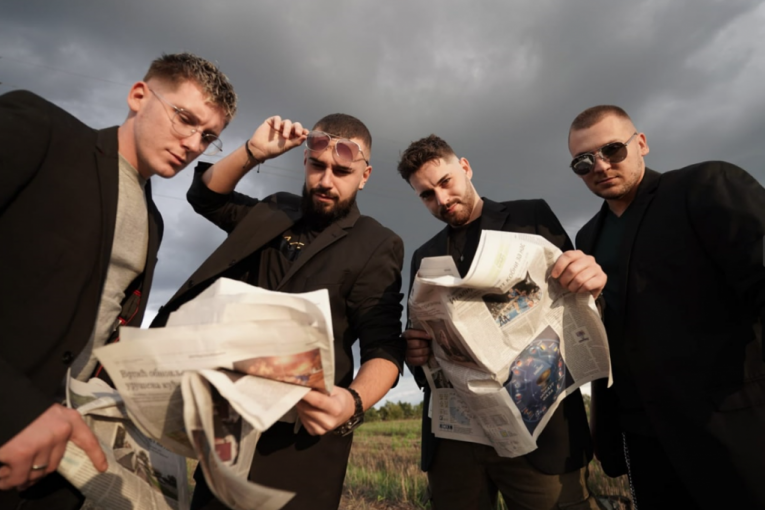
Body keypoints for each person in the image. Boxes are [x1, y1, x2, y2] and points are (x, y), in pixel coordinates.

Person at [0, 52, 236, 509]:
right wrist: (16, 408)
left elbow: (105, 331)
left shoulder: (154, 221)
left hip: (60, 450)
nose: (193, 143)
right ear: (138, 96)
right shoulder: (43, 130)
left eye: (208, 137)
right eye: (184, 119)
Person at [152, 114, 405, 510]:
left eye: (342, 172)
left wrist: (351, 403)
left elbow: (384, 346)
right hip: (229, 433)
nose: (325, 180)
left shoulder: (377, 243)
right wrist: (253, 152)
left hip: (299, 448)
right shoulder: (274, 210)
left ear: (364, 176)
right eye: (317, 166)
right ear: (305, 160)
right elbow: (205, 197)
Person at [569, 105, 765, 509]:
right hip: (646, 439)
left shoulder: (705, 185)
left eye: (612, 150)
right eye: (584, 162)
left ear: (641, 143)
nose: (600, 166)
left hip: (732, 423)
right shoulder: (587, 238)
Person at [398, 134, 606, 510]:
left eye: (445, 182)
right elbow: (422, 346)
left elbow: (576, 300)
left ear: (465, 167)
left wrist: (590, 282)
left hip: (541, 436)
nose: (441, 199)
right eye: (427, 195)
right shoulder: (424, 255)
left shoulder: (530, 216)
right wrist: (415, 352)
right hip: (457, 442)